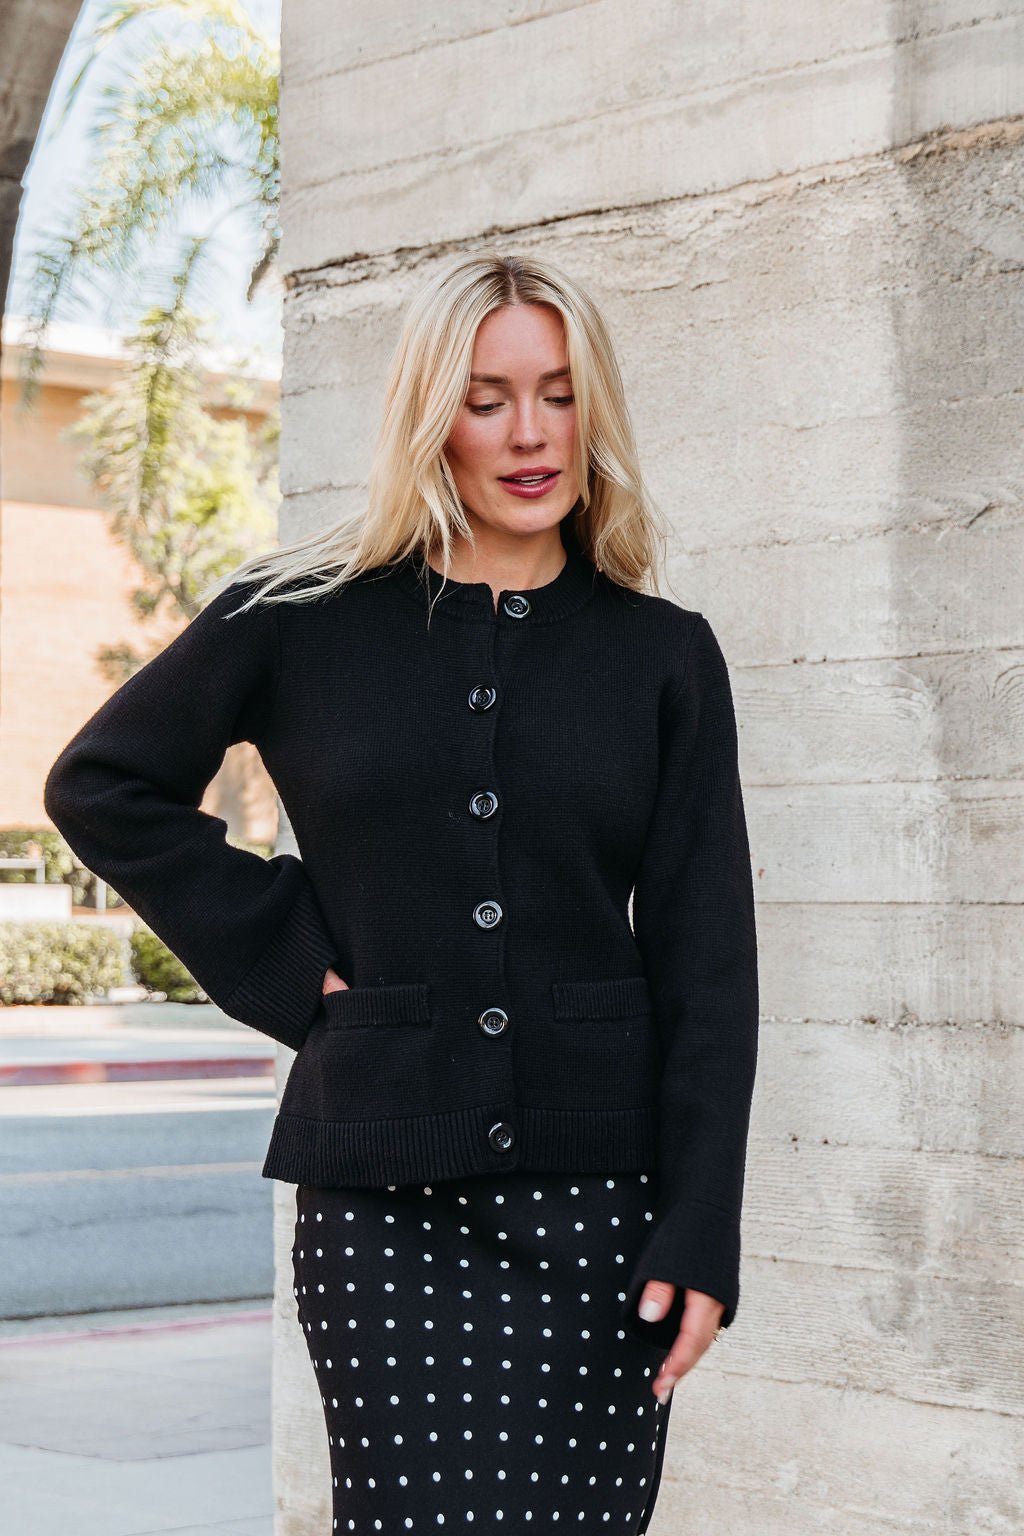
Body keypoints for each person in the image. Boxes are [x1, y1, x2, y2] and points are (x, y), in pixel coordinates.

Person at [43, 250, 759, 1534]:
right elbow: (103, 785)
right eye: (486, 398)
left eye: (557, 392)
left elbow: (709, 965)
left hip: (601, 1219)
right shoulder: (299, 617)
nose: (530, 434)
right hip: (384, 1218)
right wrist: (283, 950)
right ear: (432, 415)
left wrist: (702, 1224)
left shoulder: (662, 656)